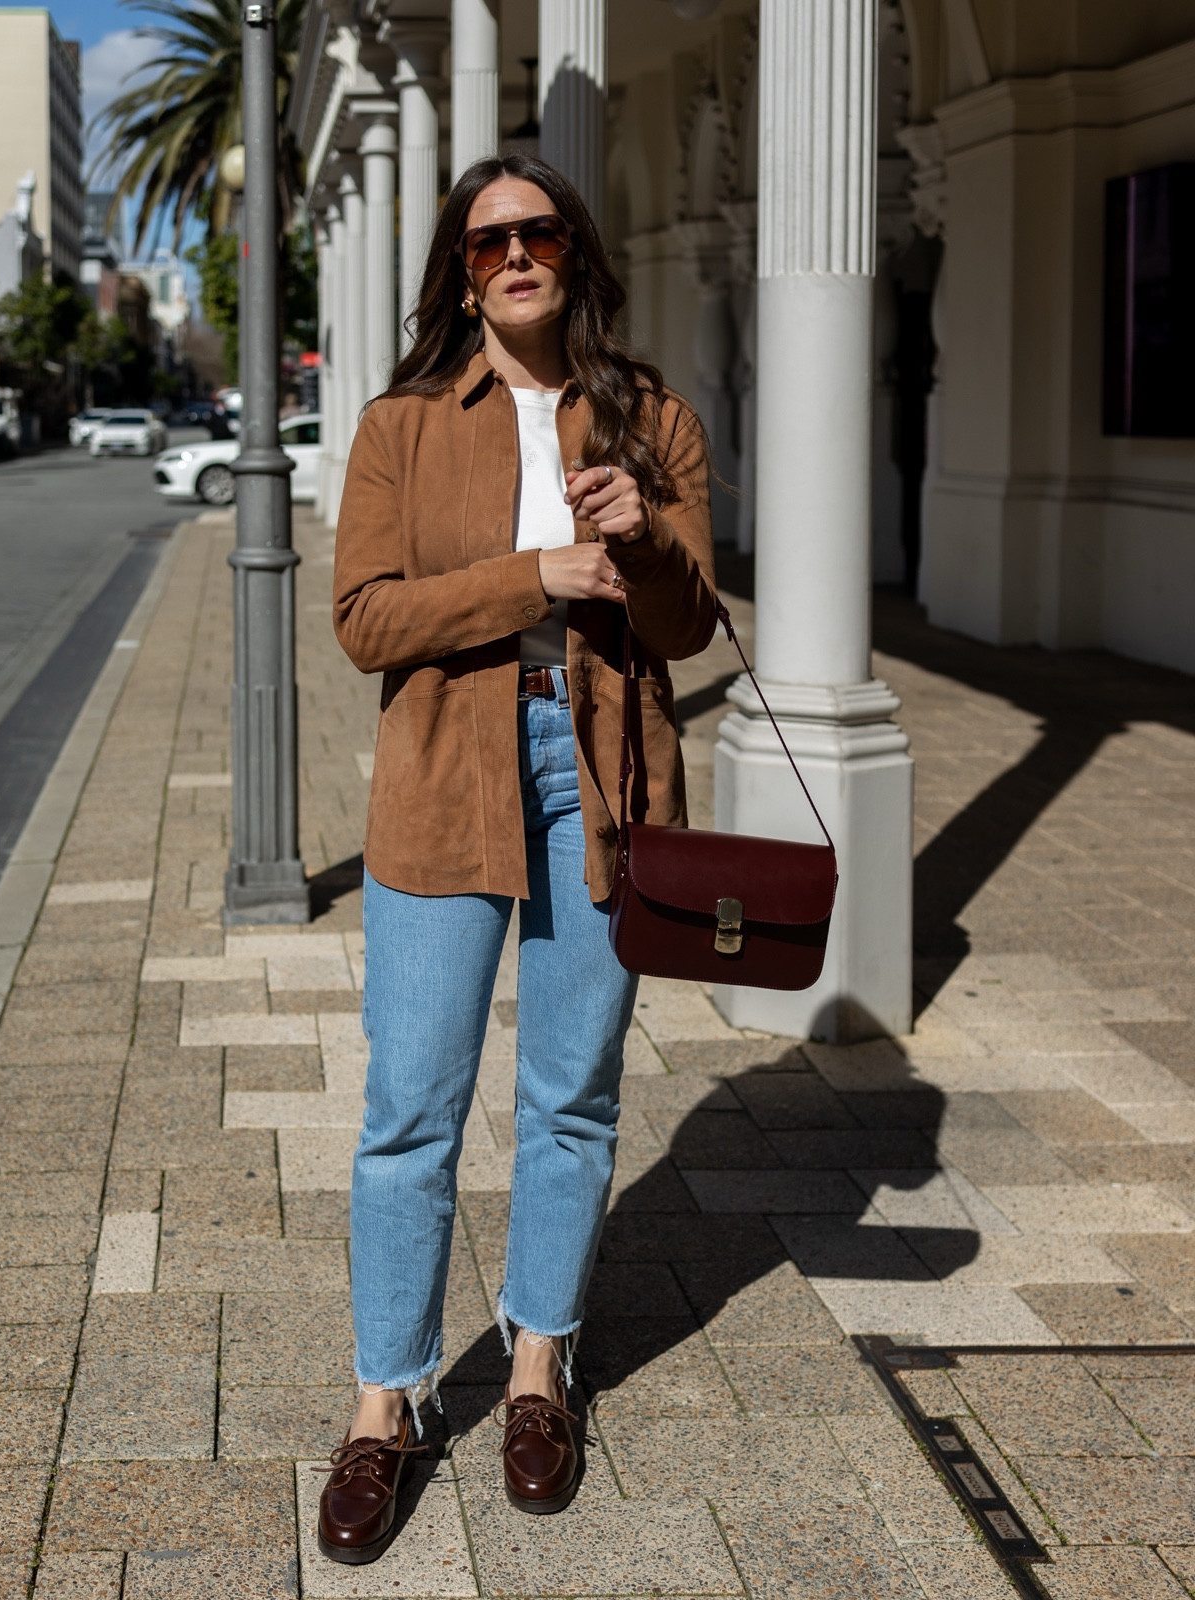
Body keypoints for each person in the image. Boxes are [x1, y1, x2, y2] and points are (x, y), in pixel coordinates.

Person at [319, 153, 717, 1567]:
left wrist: (649, 539)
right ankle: (388, 1403)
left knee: (573, 1095)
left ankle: (538, 1375)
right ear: (461, 270)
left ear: (576, 251)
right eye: (488, 242)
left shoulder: (650, 413)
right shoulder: (404, 425)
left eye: (539, 231)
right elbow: (364, 618)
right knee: (410, 1106)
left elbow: (685, 627)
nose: (516, 255)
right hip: (446, 782)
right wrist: (532, 579)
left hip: (602, 785)